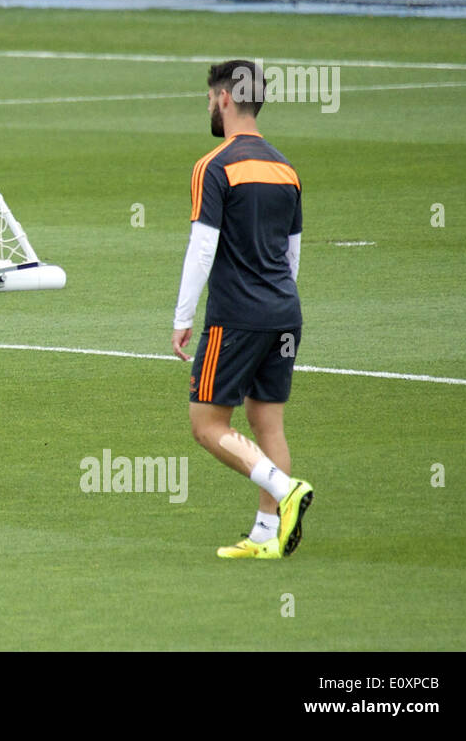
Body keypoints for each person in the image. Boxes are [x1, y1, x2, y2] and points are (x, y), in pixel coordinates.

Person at [171, 59, 314, 558]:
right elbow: (292, 252)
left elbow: (202, 247)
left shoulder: (214, 165)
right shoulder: (285, 168)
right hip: (284, 313)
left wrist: (182, 317)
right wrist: (276, 303)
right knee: (267, 422)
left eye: (210, 97)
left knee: (206, 425)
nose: (209, 106)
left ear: (225, 99)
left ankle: (285, 489)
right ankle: (264, 535)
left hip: (236, 317)